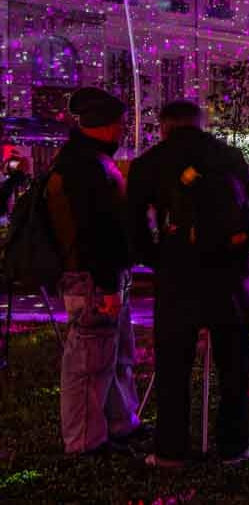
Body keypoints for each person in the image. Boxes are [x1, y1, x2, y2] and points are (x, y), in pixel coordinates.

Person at [128, 100, 249, 468]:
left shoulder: (149, 163)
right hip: (229, 275)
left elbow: (135, 230)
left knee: (173, 365)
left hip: (178, 278)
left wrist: (160, 259)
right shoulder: (228, 155)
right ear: (199, 123)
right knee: (233, 366)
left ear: (164, 126)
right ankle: (233, 447)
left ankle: (170, 450)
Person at [49, 88, 142, 455]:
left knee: (112, 354)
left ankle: (119, 423)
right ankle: (85, 441)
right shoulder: (85, 169)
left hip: (100, 276)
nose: (123, 130)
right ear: (105, 125)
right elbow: (96, 233)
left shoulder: (85, 161)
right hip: (92, 278)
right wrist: (107, 284)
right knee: (90, 361)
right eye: (120, 123)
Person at [0, 155, 31, 223]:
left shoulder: (17, 173)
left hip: (6, 192)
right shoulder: (21, 175)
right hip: (9, 193)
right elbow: (20, 188)